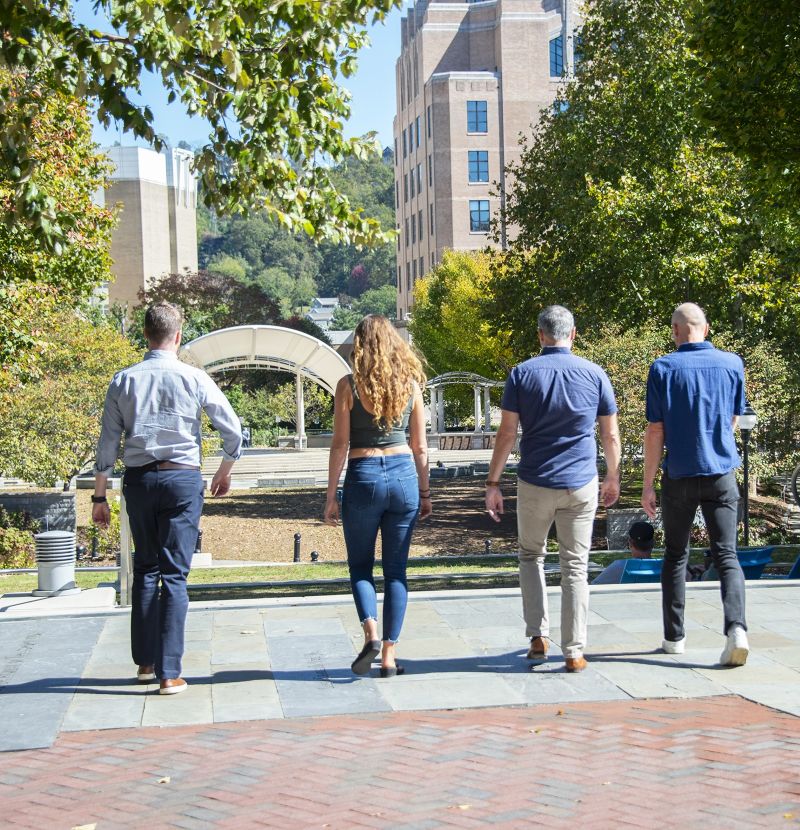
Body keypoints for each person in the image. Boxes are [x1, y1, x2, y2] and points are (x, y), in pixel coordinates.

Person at [92, 302, 242, 695]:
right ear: (178, 336)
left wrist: (99, 496)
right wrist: (223, 472)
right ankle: (169, 672)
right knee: (174, 574)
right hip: (182, 480)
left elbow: (108, 442)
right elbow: (233, 431)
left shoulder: (122, 380)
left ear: (146, 335)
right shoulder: (194, 378)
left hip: (139, 481)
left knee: (145, 568)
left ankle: (145, 661)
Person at [485, 305, 621, 672]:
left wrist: (493, 482)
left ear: (540, 335)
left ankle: (537, 637)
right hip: (580, 482)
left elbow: (507, 433)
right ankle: (574, 651)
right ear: (573, 334)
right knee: (575, 565)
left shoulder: (522, 374)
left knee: (531, 556)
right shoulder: (595, 374)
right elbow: (609, 433)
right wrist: (613, 474)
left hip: (535, 481)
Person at [641, 302, 749, 666]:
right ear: (707, 327)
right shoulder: (733, 364)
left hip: (680, 476)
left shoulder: (663, 368)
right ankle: (736, 629)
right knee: (727, 555)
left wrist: (647, 484)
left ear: (674, 331)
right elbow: (735, 416)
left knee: (675, 555)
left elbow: (656, 430)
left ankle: (675, 638)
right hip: (721, 474)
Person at [323, 315, 431, 678]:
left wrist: (330, 495)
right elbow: (420, 447)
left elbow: (340, 444)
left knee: (360, 566)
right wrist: (425, 491)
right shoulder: (411, 386)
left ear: (359, 345)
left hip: (363, 476)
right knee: (397, 571)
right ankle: (388, 655)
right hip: (403, 477)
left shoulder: (347, 386)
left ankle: (370, 631)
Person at [592, 520, 655, 585]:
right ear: (653, 543)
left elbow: (594, 586)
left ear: (630, 543)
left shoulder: (619, 566)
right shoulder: (663, 567)